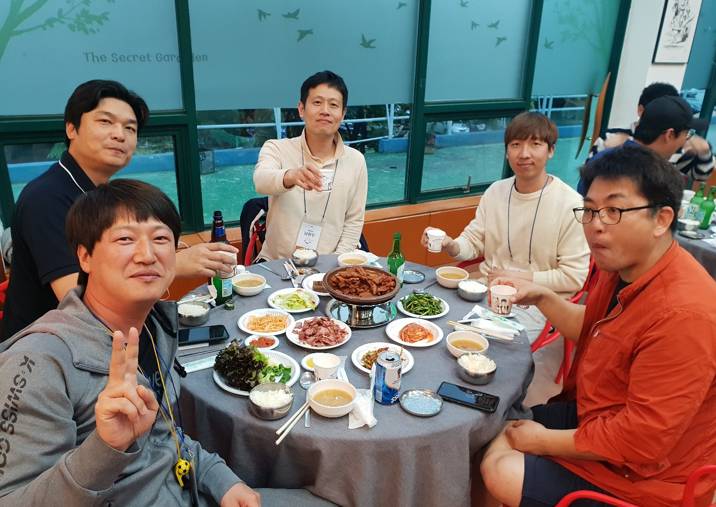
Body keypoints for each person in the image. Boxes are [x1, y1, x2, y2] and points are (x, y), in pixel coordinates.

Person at [0, 179, 260, 506]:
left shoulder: (154, 326)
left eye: (161, 238)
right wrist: (105, 448)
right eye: (125, 238)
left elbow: (165, 435)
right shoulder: (39, 362)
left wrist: (217, 477)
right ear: (85, 256)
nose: (147, 255)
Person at [480, 146, 716, 507]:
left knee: (501, 468)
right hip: (601, 412)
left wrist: (542, 441)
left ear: (662, 219)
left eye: (614, 211)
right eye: (589, 210)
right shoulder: (624, 266)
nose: (596, 225)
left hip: (648, 475)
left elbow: (643, 439)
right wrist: (542, 296)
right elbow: (594, 329)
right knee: (491, 425)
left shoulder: (685, 314)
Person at [1, 80, 238, 341]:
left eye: (130, 128)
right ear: (71, 128)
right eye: (105, 122)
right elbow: (77, 298)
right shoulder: (47, 198)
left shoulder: (98, 194)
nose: (119, 135)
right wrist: (174, 265)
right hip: (49, 349)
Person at [421, 112, 590, 341]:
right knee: (432, 323)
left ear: (551, 150)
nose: (524, 153)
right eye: (516, 144)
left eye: (535, 144)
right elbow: (472, 241)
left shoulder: (572, 205)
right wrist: (450, 244)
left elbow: (572, 278)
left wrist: (516, 277)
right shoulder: (496, 192)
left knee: (485, 345)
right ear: (507, 151)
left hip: (535, 304)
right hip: (484, 292)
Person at [253, 71, 368, 261]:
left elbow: (353, 222)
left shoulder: (356, 161)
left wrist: (333, 266)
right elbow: (261, 180)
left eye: (333, 105)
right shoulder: (277, 148)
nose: (325, 110)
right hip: (277, 264)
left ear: (343, 114)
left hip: (329, 266)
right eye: (317, 102)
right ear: (301, 109)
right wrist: (290, 176)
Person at [587, 82, 713, 182]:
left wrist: (705, 152)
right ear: (641, 110)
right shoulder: (612, 136)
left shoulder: (676, 144)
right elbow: (588, 176)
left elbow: (701, 176)